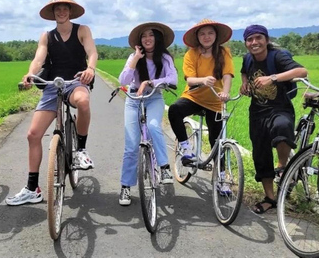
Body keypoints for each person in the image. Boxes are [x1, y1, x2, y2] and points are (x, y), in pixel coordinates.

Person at [6, 0, 98, 206]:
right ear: (53, 13)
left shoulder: (82, 30)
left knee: (83, 102)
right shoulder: (47, 36)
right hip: (52, 84)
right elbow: (39, 58)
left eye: (65, 8)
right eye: (57, 9)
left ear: (70, 11)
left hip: (76, 81)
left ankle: (81, 151)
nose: (61, 12)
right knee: (33, 134)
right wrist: (30, 73)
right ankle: (32, 188)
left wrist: (90, 69)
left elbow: (92, 52)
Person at [239, 24, 308, 214]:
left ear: (266, 40)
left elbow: (302, 72)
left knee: (282, 127)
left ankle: (282, 166)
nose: (254, 43)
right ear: (246, 43)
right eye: (250, 39)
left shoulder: (277, 56)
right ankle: (270, 197)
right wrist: (244, 84)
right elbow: (244, 71)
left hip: (280, 107)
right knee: (260, 154)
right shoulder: (247, 58)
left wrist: (273, 77)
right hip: (257, 112)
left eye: (258, 38)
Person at [118, 22, 178, 206]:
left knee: (153, 126)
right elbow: (123, 81)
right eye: (143, 36)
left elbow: (173, 78)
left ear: (157, 38)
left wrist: (151, 82)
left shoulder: (165, 58)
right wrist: (135, 59)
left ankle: (164, 167)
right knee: (131, 146)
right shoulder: (133, 57)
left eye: (151, 35)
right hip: (133, 99)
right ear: (139, 41)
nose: (147, 39)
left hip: (154, 97)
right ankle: (126, 187)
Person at [168, 18, 234, 176]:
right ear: (197, 37)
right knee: (175, 110)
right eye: (202, 34)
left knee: (216, 141)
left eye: (210, 33)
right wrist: (203, 80)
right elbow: (190, 79)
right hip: (194, 98)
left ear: (216, 35)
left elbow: (227, 75)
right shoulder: (191, 54)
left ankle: (221, 177)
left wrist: (225, 92)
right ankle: (185, 146)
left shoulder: (224, 52)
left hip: (215, 101)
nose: (206, 37)